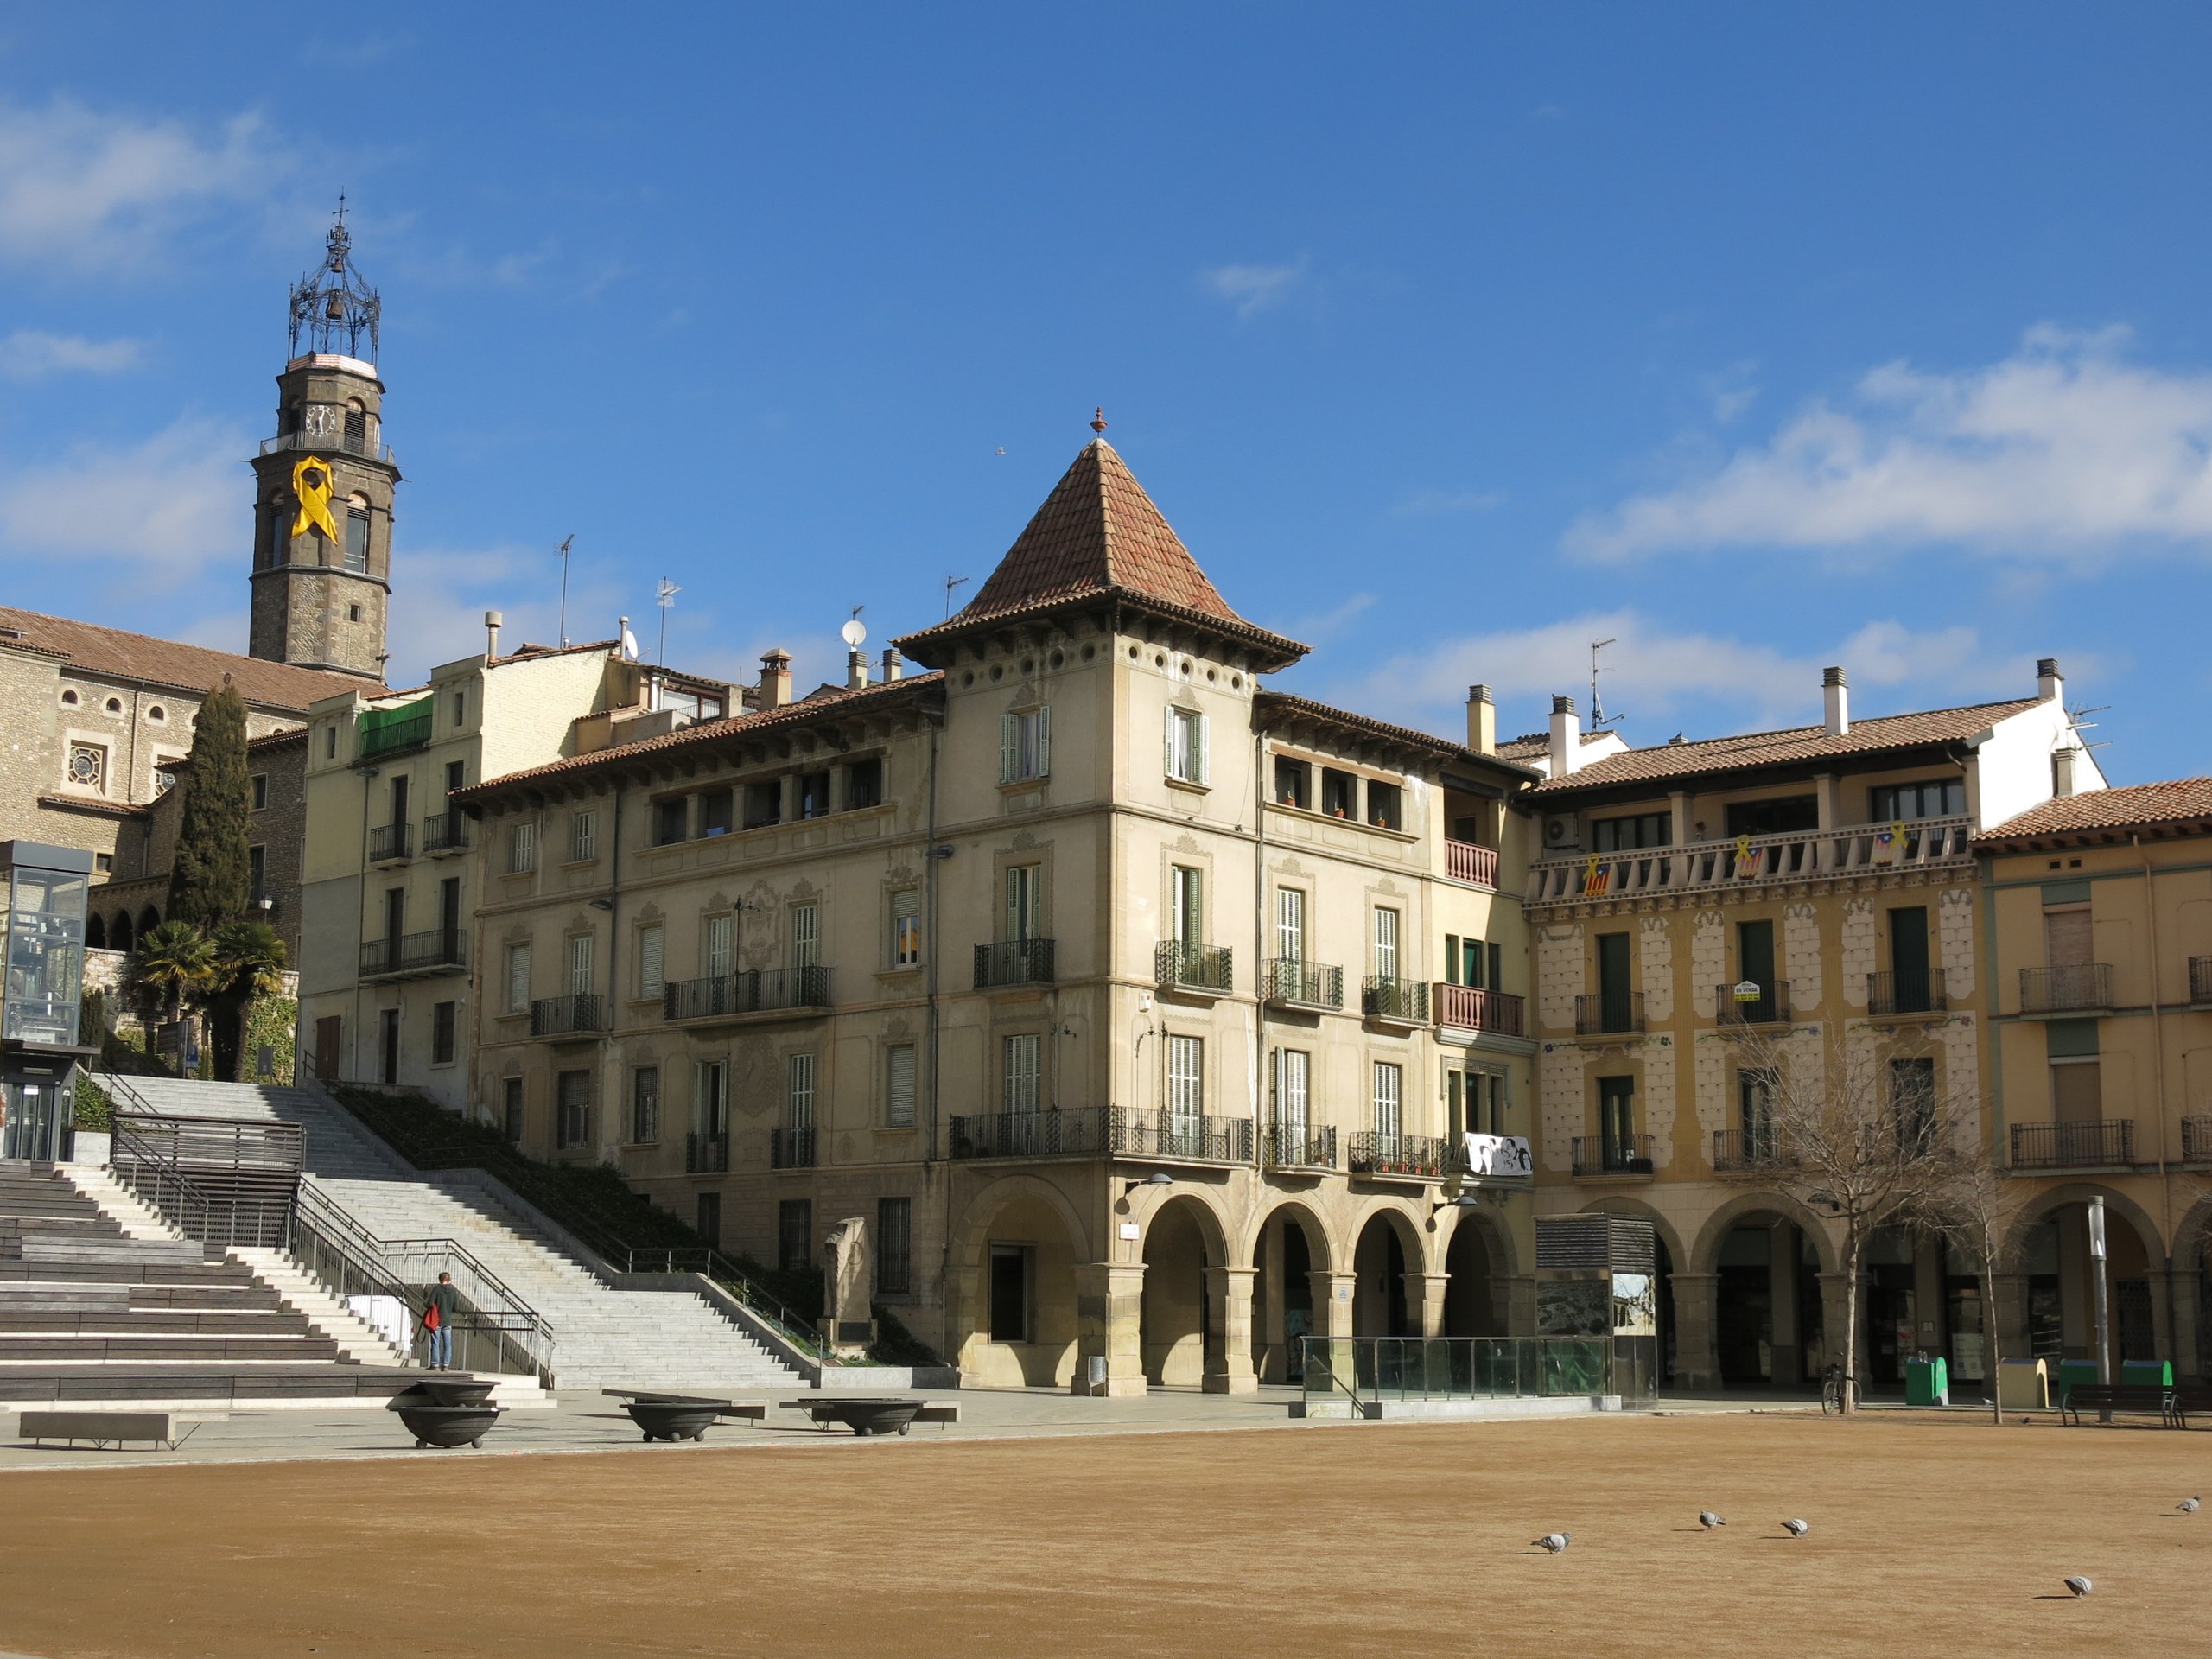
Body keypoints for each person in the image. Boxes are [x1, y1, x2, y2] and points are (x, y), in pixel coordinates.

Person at [423, 1272, 461, 1371]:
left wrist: (426, 1304)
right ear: (449, 1280)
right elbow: (455, 1308)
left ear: (440, 1279)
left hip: (436, 1320)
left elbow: (430, 1303)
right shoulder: (453, 1291)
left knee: (435, 1343)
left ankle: (435, 1364)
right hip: (447, 1321)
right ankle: (445, 1365)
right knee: (448, 1344)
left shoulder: (437, 1289)